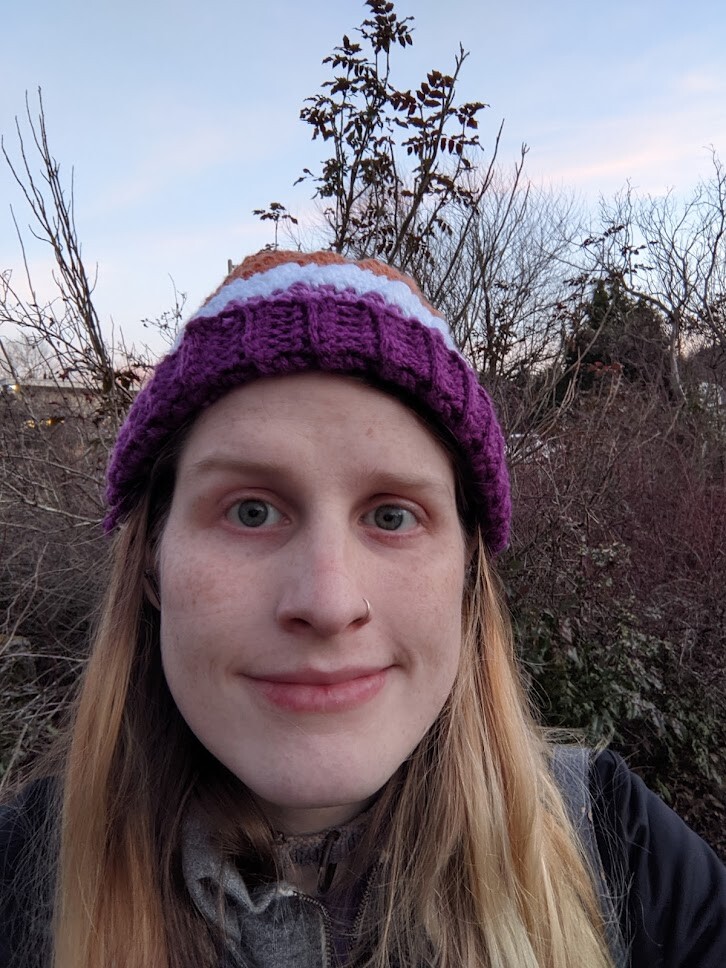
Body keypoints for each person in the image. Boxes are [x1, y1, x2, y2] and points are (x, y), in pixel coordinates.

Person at [1, 249, 724, 968]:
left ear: (468, 572)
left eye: (392, 516)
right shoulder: (19, 876)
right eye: (251, 511)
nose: (328, 601)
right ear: (153, 560)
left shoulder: (623, 851)